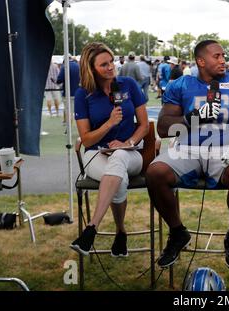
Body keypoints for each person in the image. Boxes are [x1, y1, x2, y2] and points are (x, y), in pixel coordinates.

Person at [145, 40, 229, 270]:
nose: (223, 60)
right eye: (217, 56)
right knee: (155, 172)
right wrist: (192, 118)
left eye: (223, 55)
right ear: (201, 61)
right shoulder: (180, 85)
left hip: (225, 149)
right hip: (188, 149)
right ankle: (177, 232)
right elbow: (164, 127)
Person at [70, 42, 149, 257]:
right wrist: (108, 124)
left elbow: (144, 125)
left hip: (130, 151)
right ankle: (121, 233)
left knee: (120, 157)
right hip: (96, 154)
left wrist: (128, 143)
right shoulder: (83, 95)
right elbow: (86, 140)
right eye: (103, 64)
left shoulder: (129, 85)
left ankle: (91, 228)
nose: (110, 67)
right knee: (118, 178)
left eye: (111, 61)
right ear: (91, 68)